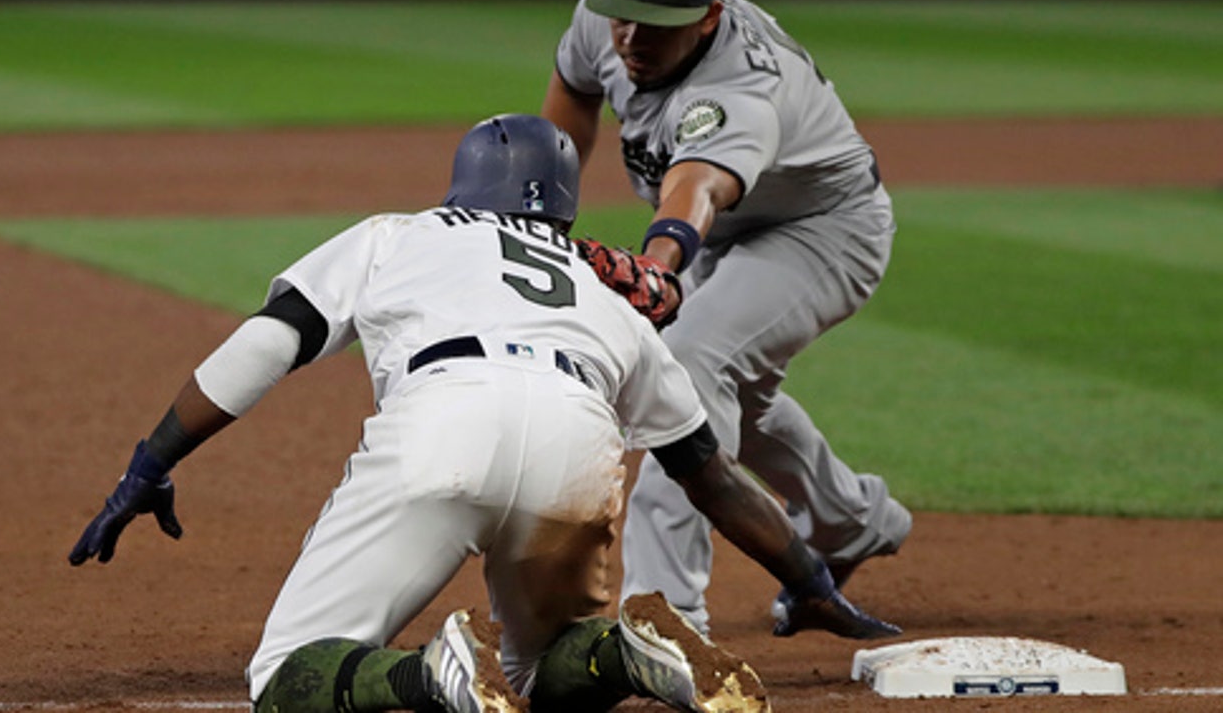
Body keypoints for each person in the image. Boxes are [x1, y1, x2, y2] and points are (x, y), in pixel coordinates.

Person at [67, 114, 898, 713]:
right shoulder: (602, 298)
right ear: (563, 212)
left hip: (445, 428)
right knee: (545, 672)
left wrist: (152, 462)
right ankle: (629, 650)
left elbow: (266, 345)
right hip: (579, 452)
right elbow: (712, 478)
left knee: (286, 676)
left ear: (460, 187)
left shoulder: (400, 234)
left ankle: (428, 676)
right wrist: (810, 579)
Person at [540, 0, 913, 637]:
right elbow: (574, 88)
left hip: (824, 228)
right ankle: (849, 520)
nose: (629, 37)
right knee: (736, 399)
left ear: (709, 16)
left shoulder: (739, 88)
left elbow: (697, 188)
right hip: (735, 228)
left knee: (682, 369)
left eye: (655, 25)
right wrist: (543, 216)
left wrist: (657, 269)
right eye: (623, 19)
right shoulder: (606, 15)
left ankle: (667, 621)